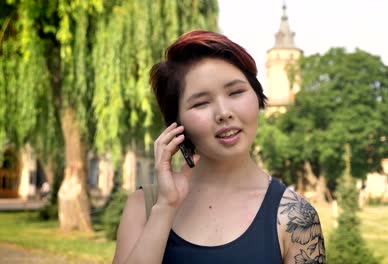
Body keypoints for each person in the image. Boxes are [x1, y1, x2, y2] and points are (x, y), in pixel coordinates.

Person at [112, 30, 325, 264]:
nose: (224, 113)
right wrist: (165, 207)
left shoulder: (295, 217)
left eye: (236, 92)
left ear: (257, 96)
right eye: (201, 103)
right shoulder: (145, 205)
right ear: (176, 123)